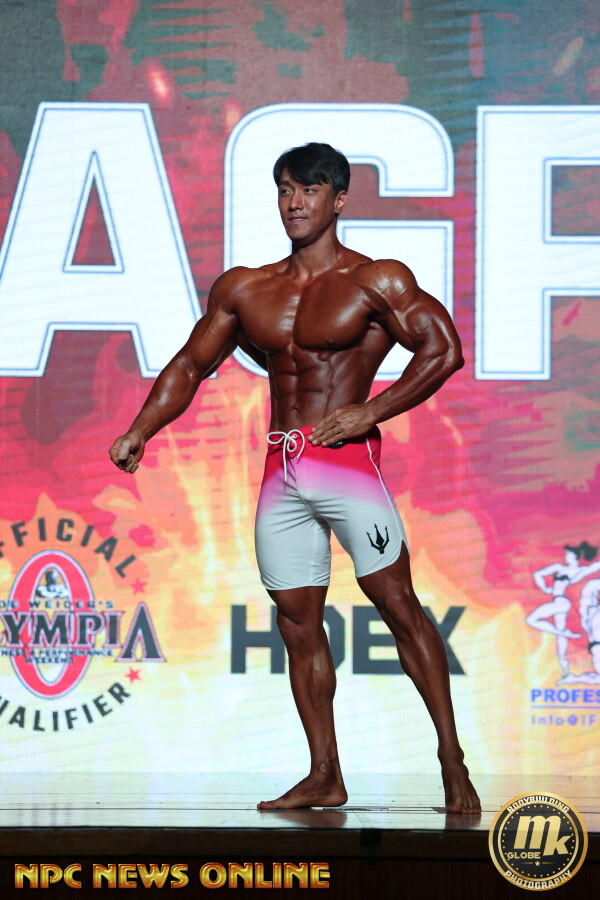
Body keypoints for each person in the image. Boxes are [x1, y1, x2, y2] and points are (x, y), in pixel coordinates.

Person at [109, 142, 480, 814]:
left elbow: (444, 348)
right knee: (296, 623)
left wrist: (371, 410)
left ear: (338, 200)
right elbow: (190, 365)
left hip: (347, 464)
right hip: (281, 470)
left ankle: (451, 762)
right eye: (285, 189)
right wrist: (141, 429)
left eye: (309, 190)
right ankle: (324, 773)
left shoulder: (376, 279)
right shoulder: (246, 288)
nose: (295, 202)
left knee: (396, 603)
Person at [527, 542, 600, 678]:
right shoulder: (559, 567)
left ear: (575, 557)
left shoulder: (580, 571)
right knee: (561, 638)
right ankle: (565, 670)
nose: (566, 557)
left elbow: (595, 566)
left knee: (531, 619)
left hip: (563, 602)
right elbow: (538, 574)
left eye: (568, 555)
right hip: (559, 601)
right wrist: (545, 588)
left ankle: (564, 634)